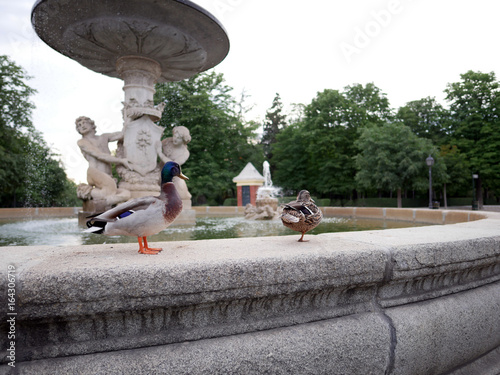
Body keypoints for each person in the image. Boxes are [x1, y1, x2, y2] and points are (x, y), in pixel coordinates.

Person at [75, 116, 131, 205]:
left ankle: (97, 196)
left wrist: (129, 120)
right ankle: (87, 192)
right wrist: (121, 161)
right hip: (94, 172)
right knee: (111, 192)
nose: (82, 126)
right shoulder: (82, 142)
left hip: (108, 176)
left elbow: (122, 134)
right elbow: (99, 155)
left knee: (126, 194)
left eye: (84, 123)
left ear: (92, 125)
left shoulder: (104, 137)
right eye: (79, 125)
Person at [162, 126, 192, 201]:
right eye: (174, 136)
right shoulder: (167, 142)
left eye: (178, 138)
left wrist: (159, 153)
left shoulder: (185, 153)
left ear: (184, 140)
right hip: (159, 170)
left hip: (173, 176)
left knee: (180, 195)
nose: (175, 139)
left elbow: (170, 165)